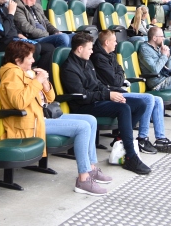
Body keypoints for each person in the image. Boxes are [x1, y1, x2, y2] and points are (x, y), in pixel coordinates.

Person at [0, 40, 112, 196]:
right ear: (18, 60)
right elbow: (19, 102)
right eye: (30, 58)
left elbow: (50, 98)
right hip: (31, 123)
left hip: (42, 116)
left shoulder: (26, 73)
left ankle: (91, 168)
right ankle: (83, 179)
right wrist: (37, 81)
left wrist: (44, 82)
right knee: (83, 127)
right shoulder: (11, 74)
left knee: (90, 120)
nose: (33, 60)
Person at [60, 32, 151, 175]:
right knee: (123, 108)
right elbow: (82, 96)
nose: (92, 51)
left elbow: (98, 84)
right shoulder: (69, 68)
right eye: (90, 49)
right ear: (79, 49)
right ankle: (130, 156)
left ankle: (120, 139)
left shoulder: (87, 62)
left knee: (140, 104)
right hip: (84, 106)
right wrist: (107, 95)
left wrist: (110, 93)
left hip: (98, 99)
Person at [90, 30, 171, 154]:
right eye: (114, 41)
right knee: (149, 99)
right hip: (112, 93)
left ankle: (160, 138)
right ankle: (142, 138)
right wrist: (120, 77)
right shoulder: (99, 58)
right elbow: (115, 80)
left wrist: (120, 76)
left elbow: (120, 71)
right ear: (106, 42)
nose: (116, 43)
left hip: (118, 88)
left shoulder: (110, 54)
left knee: (158, 100)